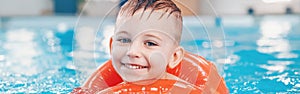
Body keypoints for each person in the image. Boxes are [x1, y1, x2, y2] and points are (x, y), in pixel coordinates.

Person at [72, 0, 228, 93]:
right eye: (124, 40)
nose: (132, 52)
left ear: (174, 57)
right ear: (111, 45)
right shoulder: (100, 86)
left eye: (150, 43)